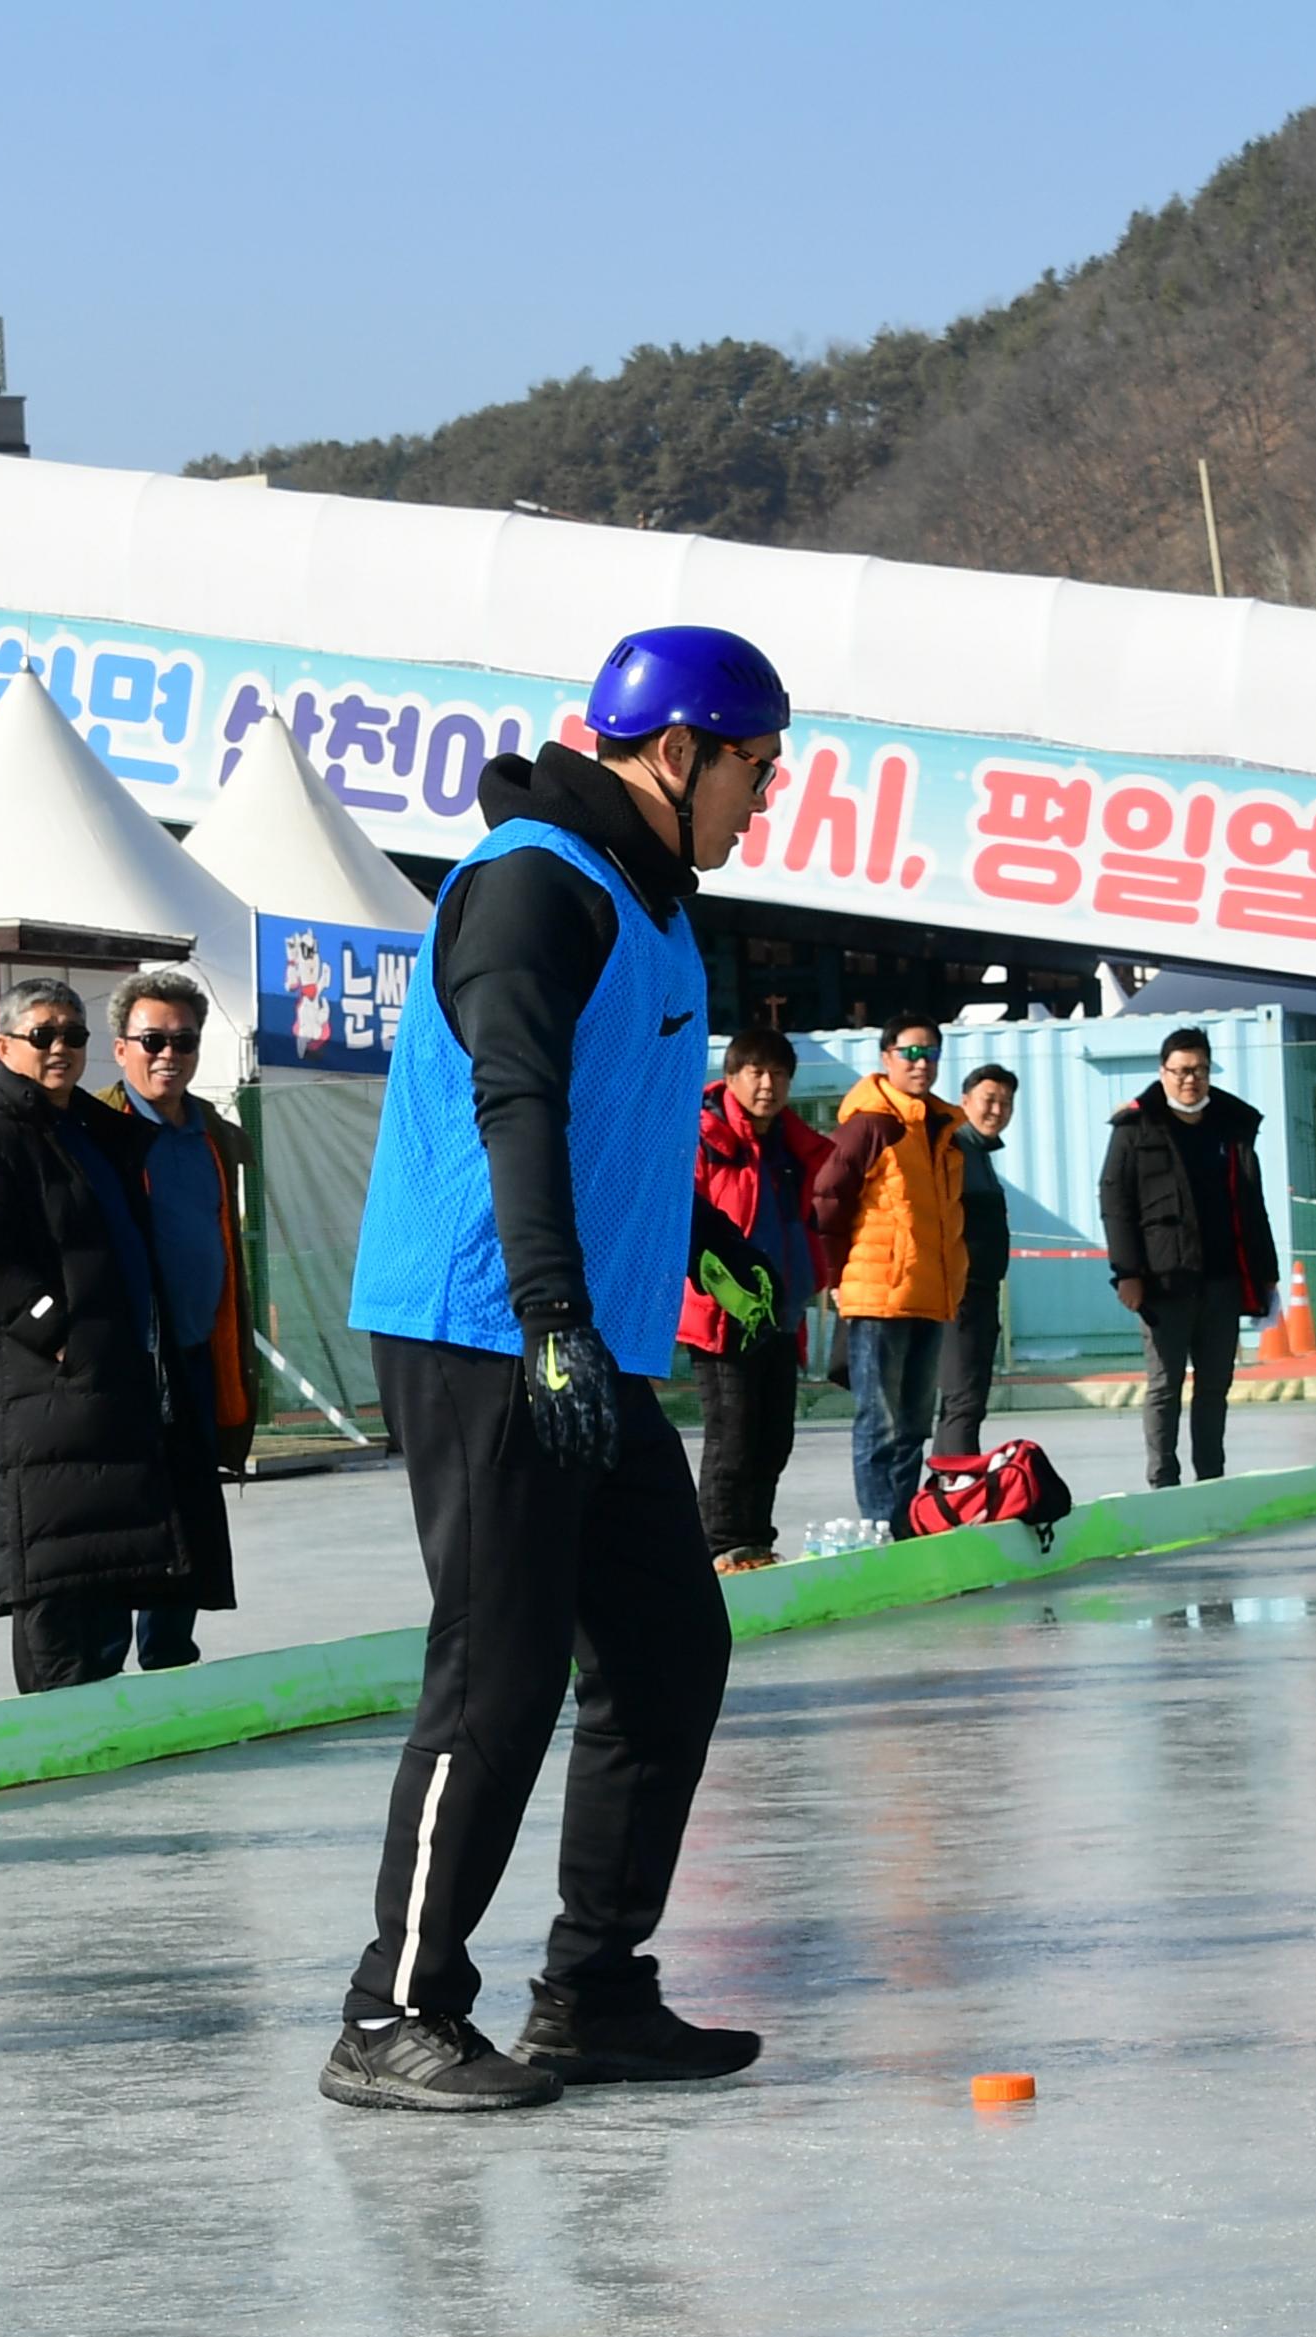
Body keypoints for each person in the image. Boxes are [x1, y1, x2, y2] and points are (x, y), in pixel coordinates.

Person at [331, 623, 788, 2112]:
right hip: (487, 1324)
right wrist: (548, 1317)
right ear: (678, 752)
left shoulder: (650, 899)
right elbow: (512, 1096)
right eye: (754, 770)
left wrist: (698, 1253)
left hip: (579, 1325)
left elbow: (621, 1124)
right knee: (500, 1666)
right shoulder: (535, 882)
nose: (761, 801)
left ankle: (592, 1989)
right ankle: (392, 2009)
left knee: (667, 1651)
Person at [0, 975, 201, 1692]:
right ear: (4, 1045)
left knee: (101, 1561)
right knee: (52, 1573)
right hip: (42, 1391)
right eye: (43, 1036)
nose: (61, 1048)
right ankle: (53, 1726)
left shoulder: (79, 1124)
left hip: (99, 1385)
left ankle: (101, 1710)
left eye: (73, 1036)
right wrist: (57, 1332)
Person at [96, 967, 252, 1670]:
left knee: (187, 1511)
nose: (169, 1054)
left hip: (194, 1353)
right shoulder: (97, 1130)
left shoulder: (214, 1133)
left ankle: (168, 1663)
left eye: (183, 1042)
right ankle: (95, 1673)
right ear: (121, 1047)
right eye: (153, 1039)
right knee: (117, 1517)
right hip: (120, 1361)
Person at [1100, 1026, 1281, 1489]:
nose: (1190, 1080)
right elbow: (1115, 1203)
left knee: (1214, 1386)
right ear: (1163, 1073)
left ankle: (1212, 1479)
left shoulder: (1230, 1126)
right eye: (1181, 1071)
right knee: (1165, 1385)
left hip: (1222, 1281)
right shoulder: (1135, 1129)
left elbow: (1252, 1205)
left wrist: (1267, 1275)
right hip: (1164, 1282)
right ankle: (1163, 1480)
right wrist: (1127, 1273)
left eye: (1199, 1070)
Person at [682, 1028, 832, 1571]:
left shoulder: (792, 1146)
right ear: (732, 1076)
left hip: (780, 1315)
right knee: (732, 1436)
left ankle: (756, 1542)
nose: (768, 1084)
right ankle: (720, 1547)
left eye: (779, 1074)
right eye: (756, 1072)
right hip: (723, 1315)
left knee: (774, 1437)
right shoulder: (703, 1137)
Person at [816, 1018, 966, 1527]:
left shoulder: (941, 1127)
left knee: (913, 1426)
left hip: (930, 1295)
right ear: (886, 1057)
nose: (921, 1062)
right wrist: (837, 1277)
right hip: (878, 1295)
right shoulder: (870, 1124)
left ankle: (903, 1525)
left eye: (931, 1052)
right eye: (910, 1052)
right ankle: (878, 1525)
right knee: (878, 1424)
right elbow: (827, 1199)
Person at [931, 1063, 1019, 1459]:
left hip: (980, 1296)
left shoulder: (980, 1153)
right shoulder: (954, 1149)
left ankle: (954, 1486)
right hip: (959, 1298)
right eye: (989, 1100)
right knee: (962, 1403)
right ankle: (956, 1489)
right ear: (964, 1102)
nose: (997, 1110)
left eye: (1005, 1103)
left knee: (968, 1403)